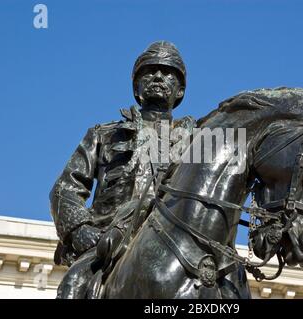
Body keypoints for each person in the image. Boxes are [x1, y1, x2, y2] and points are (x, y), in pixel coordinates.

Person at [50, 41, 195, 298]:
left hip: (178, 242)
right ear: (136, 87)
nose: (158, 76)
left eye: (168, 72)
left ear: (180, 89)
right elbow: (65, 189)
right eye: (149, 72)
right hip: (111, 241)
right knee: (73, 284)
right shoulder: (103, 134)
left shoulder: (200, 140)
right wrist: (80, 230)